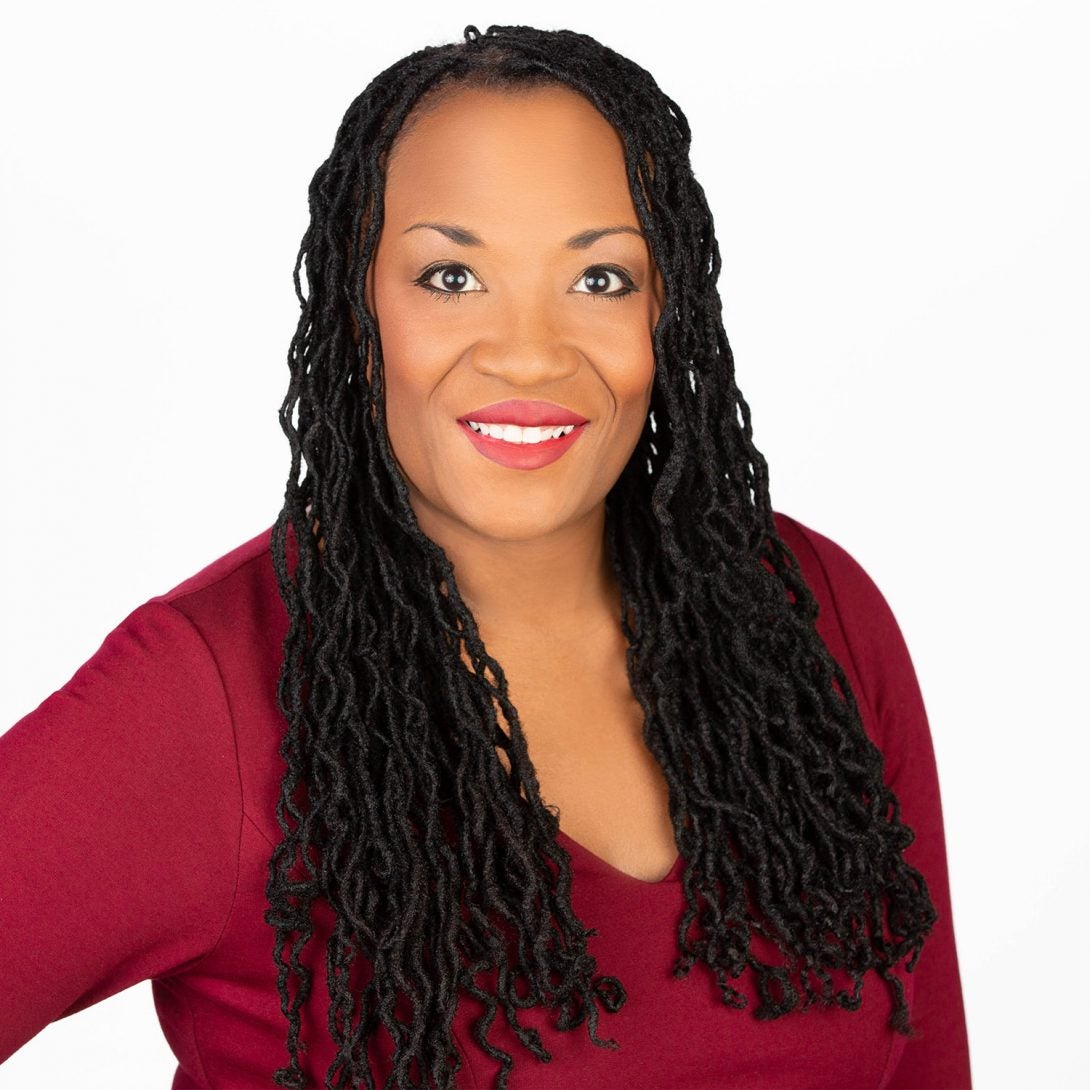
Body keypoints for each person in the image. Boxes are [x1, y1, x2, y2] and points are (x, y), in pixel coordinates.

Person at [0, 23, 971, 1090]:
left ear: (669, 312)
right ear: (356, 308)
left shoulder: (809, 609)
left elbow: (928, 1062)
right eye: (451, 277)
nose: (527, 351)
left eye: (599, 278)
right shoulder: (210, 693)